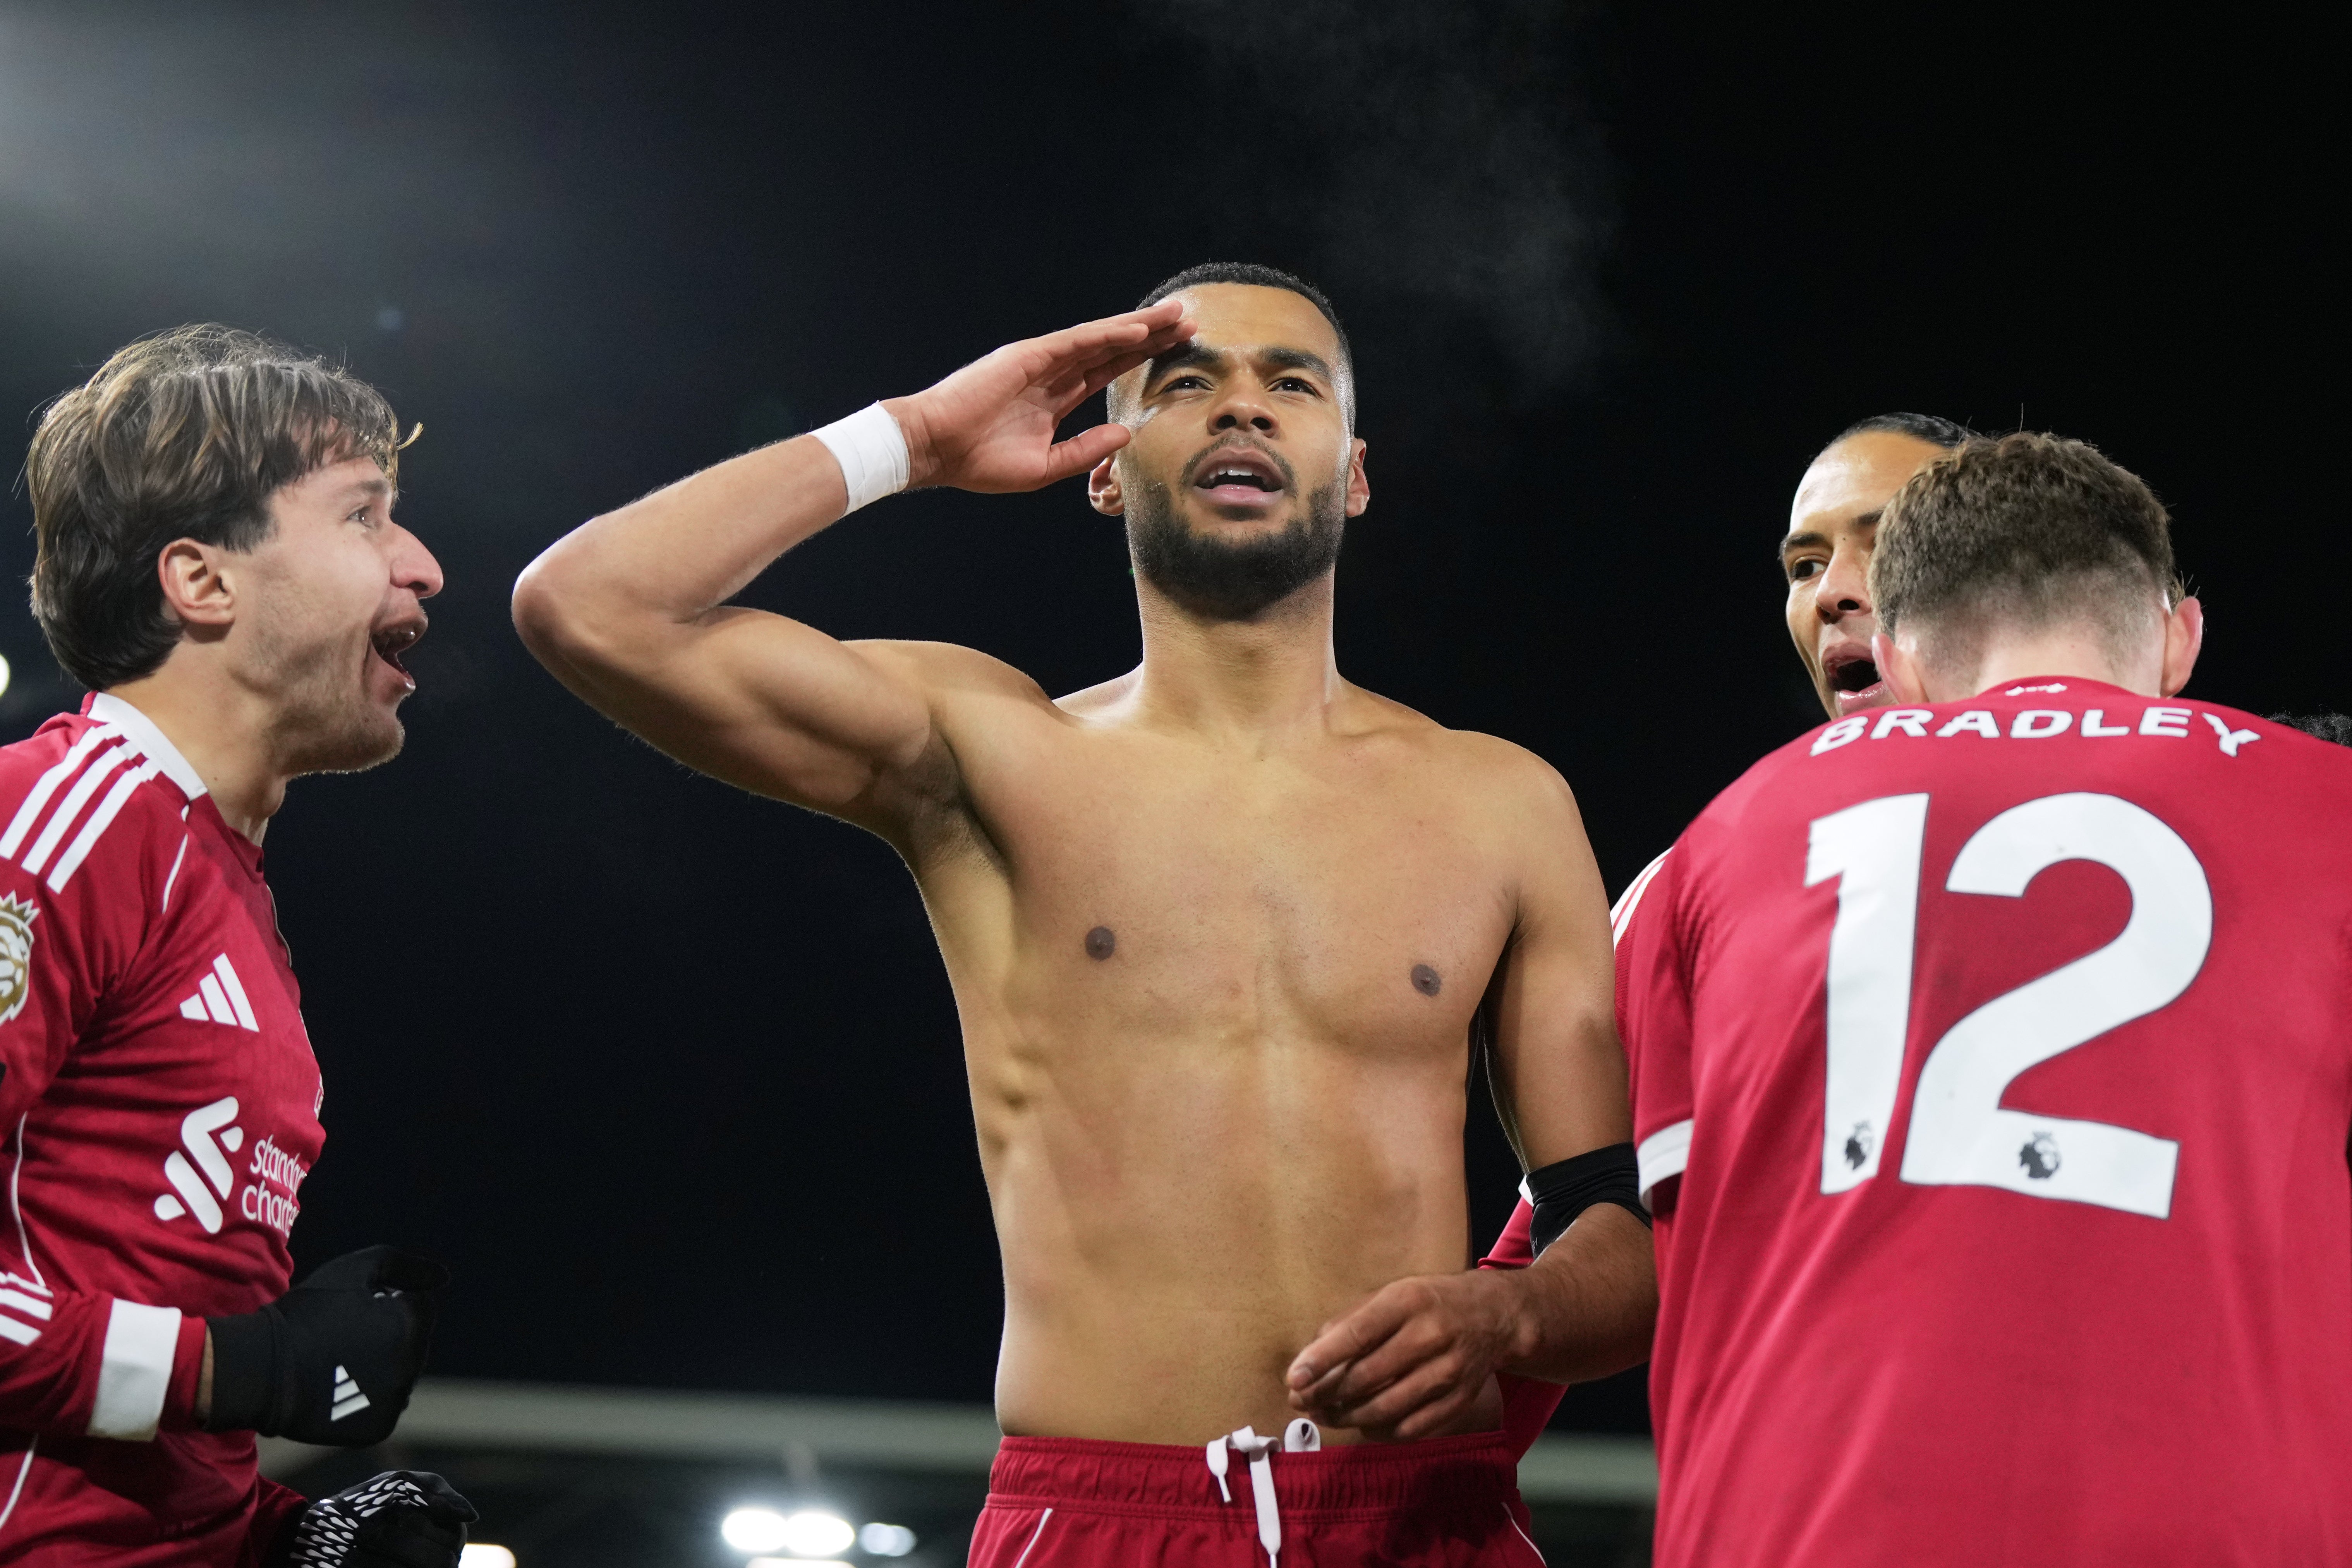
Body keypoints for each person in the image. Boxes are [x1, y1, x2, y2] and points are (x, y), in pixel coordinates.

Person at [513, 264, 1655, 1565]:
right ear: (1104, 471)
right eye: (1186, 382)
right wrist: (916, 437)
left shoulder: (1501, 804)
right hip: (1103, 1518)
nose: (1242, 407)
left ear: (1353, 474)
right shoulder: (991, 752)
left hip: (1418, 1519)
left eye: (1291, 383)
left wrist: (1507, 1318)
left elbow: (1620, 1246)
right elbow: (588, 605)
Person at [1617, 432, 2351, 1563]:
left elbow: (1665, 1249)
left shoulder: (1719, 844)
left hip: (1804, 1527)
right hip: (2220, 1523)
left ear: (1898, 665)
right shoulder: (2323, 802)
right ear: (2180, 638)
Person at [1314, 410, 1976, 1456]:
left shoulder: (2206, 836)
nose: (1833, 592)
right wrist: (1422, 1476)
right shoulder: (1698, 889)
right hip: (1829, 1493)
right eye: (1804, 565)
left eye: (1888, 542)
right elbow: (1581, 1244)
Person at [1, 328, 474, 1564]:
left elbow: (117, 1429)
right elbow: (195, 1370)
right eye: (363, 515)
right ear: (201, 581)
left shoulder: (222, 883)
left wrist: (281, 1535)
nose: (422, 566)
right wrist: (236, 1365)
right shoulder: (57, 824)